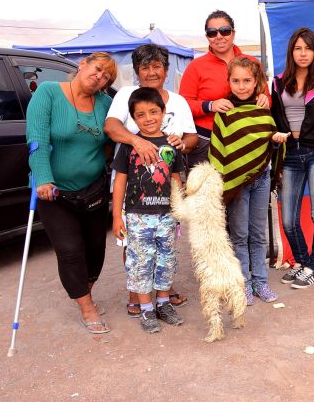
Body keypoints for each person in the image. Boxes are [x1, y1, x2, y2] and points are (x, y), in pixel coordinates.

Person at [26, 52, 117, 334]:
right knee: (69, 251)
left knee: (96, 250)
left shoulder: (105, 103)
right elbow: (37, 140)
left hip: (93, 190)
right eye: (98, 69)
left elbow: (113, 139)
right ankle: (86, 305)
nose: (99, 77)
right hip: (54, 192)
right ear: (82, 64)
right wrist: (43, 179)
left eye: (106, 77)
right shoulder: (48, 93)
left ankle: (85, 290)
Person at [105, 44, 196, 317]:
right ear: (136, 72)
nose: (151, 72)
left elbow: (191, 137)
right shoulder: (125, 94)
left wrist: (181, 143)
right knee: (134, 245)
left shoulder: (178, 101)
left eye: (157, 66)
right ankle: (137, 294)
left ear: (166, 70)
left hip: (167, 183)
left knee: (165, 242)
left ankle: (162, 295)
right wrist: (137, 141)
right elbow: (111, 127)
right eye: (145, 67)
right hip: (134, 187)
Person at [209, 56, 286, 305]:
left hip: (262, 179)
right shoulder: (225, 114)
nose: (241, 86)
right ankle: (243, 284)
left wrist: (275, 142)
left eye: (247, 81)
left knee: (258, 234)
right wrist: (221, 183)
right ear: (229, 82)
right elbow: (219, 151)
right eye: (236, 81)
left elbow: (268, 138)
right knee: (239, 235)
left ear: (257, 83)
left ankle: (261, 282)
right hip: (236, 185)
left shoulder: (264, 109)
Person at [111, 88, 186, 333]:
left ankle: (163, 303)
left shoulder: (172, 144)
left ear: (164, 112)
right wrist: (116, 217)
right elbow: (119, 181)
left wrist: (180, 209)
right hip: (137, 216)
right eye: (140, 114)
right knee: (141, 262)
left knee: (166, 260)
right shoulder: (127, 146)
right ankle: (146, 308)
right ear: (133, 118)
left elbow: (176, 179)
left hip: (167, 216)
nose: (148, 118)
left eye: (154, 112)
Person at [270, 28, 314, 289]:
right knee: (288, 218)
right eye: (298, 48)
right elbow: (274, 120)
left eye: (307, 48)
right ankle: (301, 261)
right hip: (290, 154)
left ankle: (313, 267)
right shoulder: (278, 82)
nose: (302, 53)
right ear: (291, 51)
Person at [179, 10, 271, 168]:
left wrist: (265, 99)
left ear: (233, 33)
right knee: (205, 191)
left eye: (225, 31)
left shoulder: (252, 62)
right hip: (206, 141)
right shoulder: (196, 66)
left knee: (240, 191)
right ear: (207, 36)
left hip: (245, 139)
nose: (219, 36)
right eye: (212, 33)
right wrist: (210, 105)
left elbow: (266, 97)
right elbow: (184, 104)